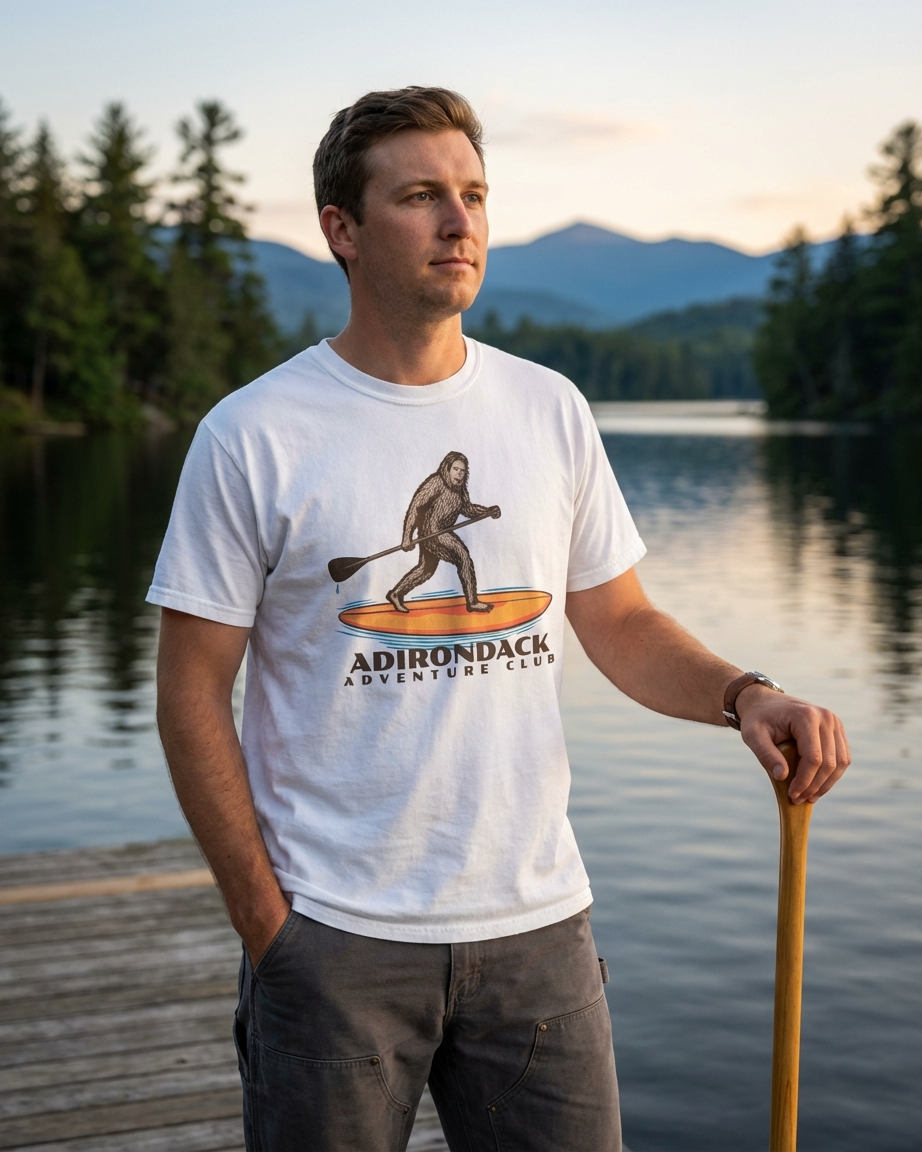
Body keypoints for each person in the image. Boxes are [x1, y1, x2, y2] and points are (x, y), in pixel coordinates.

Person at [150, 87, 850, 1152]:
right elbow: (190, 689)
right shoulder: (254, 434)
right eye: (420, 196)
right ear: (342, 229)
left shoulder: (547, 409)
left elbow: (619, 621)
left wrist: (744, 694)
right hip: (335, 938)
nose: (458, 221)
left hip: (538, 933)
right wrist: (267, 923)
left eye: (473, 195)